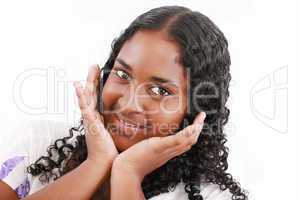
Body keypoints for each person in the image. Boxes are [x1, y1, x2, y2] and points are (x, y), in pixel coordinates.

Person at [0, 5, 248, 200]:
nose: (130, 103)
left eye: (160, 90)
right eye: (122, 74)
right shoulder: (37, 144)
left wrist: (127, 173)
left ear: (196, 109)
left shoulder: (214, 196)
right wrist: (96, 163)